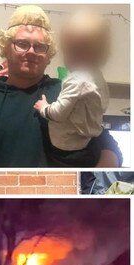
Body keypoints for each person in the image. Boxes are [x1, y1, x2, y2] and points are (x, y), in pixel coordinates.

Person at [0, 5, 121, 168]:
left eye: (40, 46)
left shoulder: (67, 92)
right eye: (22, 44)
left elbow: (104, 139)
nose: (31, 52)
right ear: (6, 48)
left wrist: (104, 167)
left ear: (48, 55)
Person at [33, 11, 110, 167]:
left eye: (39, 47)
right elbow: (103, 106)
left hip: (66, 148)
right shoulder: (97, 77)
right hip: (88, 144)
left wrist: (44, 108)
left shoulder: (76, 80)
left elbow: (58, 114)